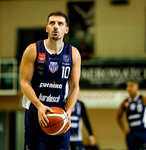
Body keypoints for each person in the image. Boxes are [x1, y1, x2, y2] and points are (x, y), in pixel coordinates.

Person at [20, 11, 81, 150]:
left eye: (60, 24)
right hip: (36, 113)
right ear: (46, 27)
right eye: (52, 23)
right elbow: (24, 82)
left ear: (66, 30)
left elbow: (74, 86)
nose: (56, 27)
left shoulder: (74, 53)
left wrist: (69, 112)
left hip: (59, 114)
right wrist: (39, 105)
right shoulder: (32, 50)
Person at [117, 81, 146, 150]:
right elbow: (118, 117)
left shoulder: (144, 99)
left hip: (143, 131)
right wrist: (123, 129)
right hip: (131, 132)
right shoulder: (125, 102)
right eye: (128, 87)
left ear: (137, 88)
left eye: (131, 86)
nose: (129, 88)